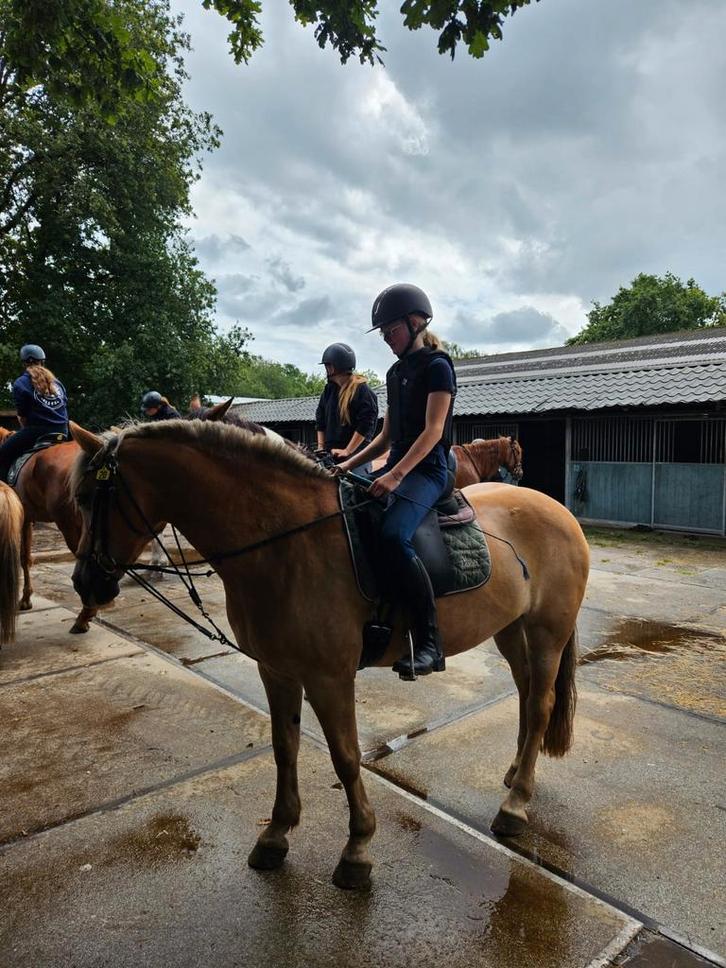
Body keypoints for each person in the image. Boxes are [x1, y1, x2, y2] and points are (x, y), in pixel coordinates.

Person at [335, 284, 456, 679]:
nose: (388, 340)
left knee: (393, 535)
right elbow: (386, 438)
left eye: (392, 331)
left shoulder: (438, 366)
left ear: (416, 322)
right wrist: (347, 465)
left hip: (431, 470)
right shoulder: (395, 371)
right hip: (401, 465)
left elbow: (433, 431)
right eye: (384, 334)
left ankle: (429, 643)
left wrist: (395, 473)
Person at [0, 344, 69, 482]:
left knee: (2, 456)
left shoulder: (21, 383)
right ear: (42, 362)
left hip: (37, 432)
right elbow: (64, 405)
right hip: (64, 431)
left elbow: (23, 416)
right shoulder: (57, 383)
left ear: (24, 363)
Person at [315, 343, 379, 472]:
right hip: (331, 453)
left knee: (352, 486)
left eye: (327, 365)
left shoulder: (362, 390)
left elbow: (365, 425)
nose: (326, 369)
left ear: (334, 367)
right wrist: (321, 448)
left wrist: (347, 451)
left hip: (357, 455)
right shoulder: (329, 390)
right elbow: (320, 420)